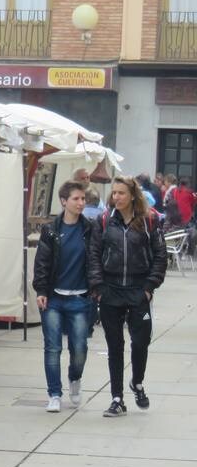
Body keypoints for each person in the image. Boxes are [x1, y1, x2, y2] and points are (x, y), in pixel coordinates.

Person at [88, 176, 166, 418]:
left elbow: (160, 256)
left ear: (133, 195)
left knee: (140, 342)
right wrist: (99, 287)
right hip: (110, 290)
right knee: (115, 346)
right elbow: (93, 255)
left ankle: (138, 382)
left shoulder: (149, 221)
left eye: (121, 193)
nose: (116, 197)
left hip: (138, 288)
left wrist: (149, 286)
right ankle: (117, 398)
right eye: (114, 193)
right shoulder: (103, 221)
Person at [33, 182, 94, 413]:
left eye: (83, 199)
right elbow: (42, 263)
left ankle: (75, 378)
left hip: (80, 298)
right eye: (76, 199)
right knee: (53, 348)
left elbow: (95, 260)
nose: (81, 203)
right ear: (63, 201)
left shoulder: (89, 229)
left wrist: (95, 289)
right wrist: (40, 291)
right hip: (54, 298)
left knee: (79, 348)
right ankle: (54, 394)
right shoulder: (51, 230)